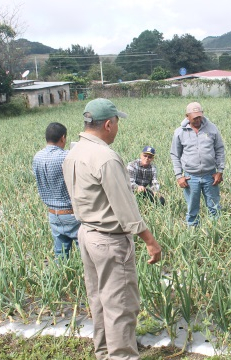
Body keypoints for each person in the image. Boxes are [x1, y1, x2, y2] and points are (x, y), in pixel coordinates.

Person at [62, 98, 162, 360]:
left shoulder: (74, 152)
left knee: (99, 300)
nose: (117, 128)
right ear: (108, 124)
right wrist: (150, 240)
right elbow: (125, 207)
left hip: (86, 234)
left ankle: (105, 353)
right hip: (109, 241)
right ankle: (122, 357)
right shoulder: (105, 157)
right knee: (120, 305)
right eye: (116, 123)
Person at [171, 102, 226, 226]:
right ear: (187, 116)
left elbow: (220, 150)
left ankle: (215, 234)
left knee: (214, 208)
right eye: (194, 117)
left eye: (199, 116)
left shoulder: (212, 128)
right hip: (191, 177)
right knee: (192, 210)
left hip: (210, 175)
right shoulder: (179, 132)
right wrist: (179, 176)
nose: (198, 119)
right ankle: (193, 236)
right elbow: (175, 155)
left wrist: (220, 171)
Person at [32, 122, 80, 258]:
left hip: (53, 214)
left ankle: (61, 278)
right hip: (71, 213)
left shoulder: (37, 157)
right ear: (63, 138)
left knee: (60, 254)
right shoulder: (65, 157)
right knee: (86, 253)